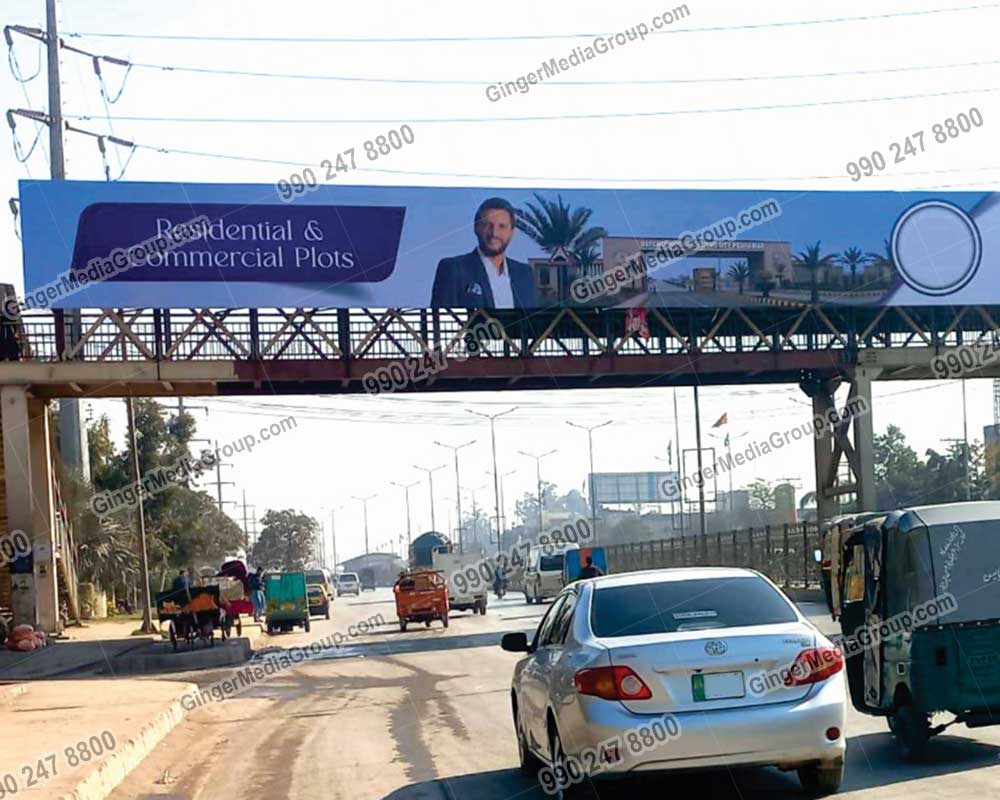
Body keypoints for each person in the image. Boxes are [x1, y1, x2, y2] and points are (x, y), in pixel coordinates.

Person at [430, 197, 536, 309]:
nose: (494, 233)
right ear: (476, 227)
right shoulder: (452, 269)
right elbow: (441, 322)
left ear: (512, 232)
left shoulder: (525, 274)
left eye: (502, 226)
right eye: (487, 225)